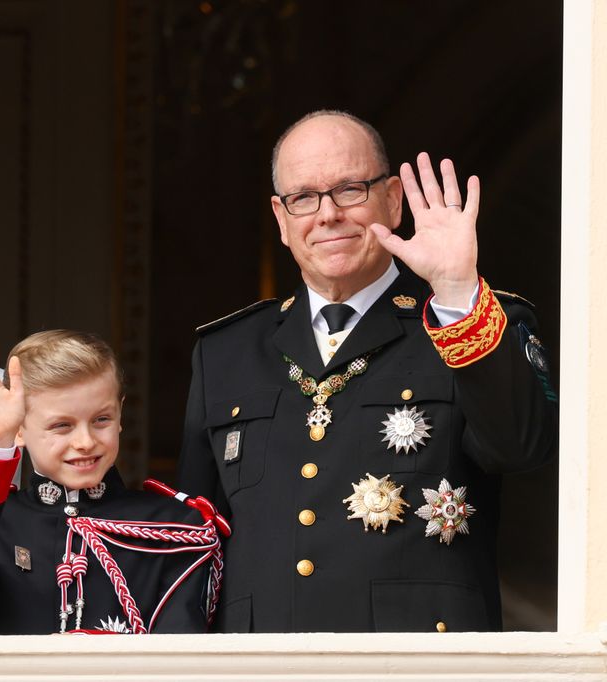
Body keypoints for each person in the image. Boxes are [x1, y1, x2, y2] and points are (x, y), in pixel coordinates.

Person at [176, 110, 557, 633]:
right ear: (281, 218)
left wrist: (455, 290)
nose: (327, 214)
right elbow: (194, 543)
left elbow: (521, 448)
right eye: (303, 198)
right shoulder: (226, 352)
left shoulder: (470, 317)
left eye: (350, 189)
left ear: (394, 199)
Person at [0, 331, 225, 634]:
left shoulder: (175, 526)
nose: (85, 442)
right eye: (62, 426)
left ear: (120, 414)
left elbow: (181, 655)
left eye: (101, 420)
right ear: (20, 429)